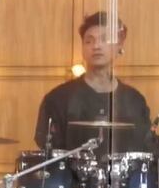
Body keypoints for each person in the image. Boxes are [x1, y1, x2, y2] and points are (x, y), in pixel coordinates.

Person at [35, 12, 153, 155]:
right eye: (89, 41)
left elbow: (146, 149)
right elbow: (50, 150)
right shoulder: (58, 98)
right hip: (72, 170)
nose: (96, 46)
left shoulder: (134, 100)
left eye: (104, 39)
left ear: (119, 46)